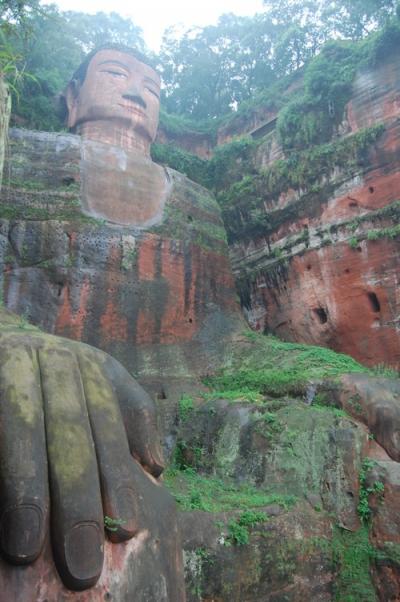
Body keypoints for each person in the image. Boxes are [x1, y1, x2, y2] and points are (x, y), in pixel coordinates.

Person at [0, 45, 187, 600]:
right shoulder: (22, 158)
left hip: (165, 393)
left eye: (153, 86)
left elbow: (231, 342)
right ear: (72, 97)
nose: (138, 91)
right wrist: (18, 341)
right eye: (116, 73)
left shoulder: (193, 199)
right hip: (44, 372)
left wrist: (337, 379)